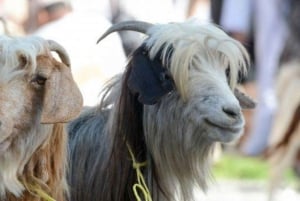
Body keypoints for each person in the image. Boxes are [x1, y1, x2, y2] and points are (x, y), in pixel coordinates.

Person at [33, 0, 127, 106]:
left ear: (42, 15)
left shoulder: (39, 40)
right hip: (114, 110)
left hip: (74, 118)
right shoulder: (98, 21)